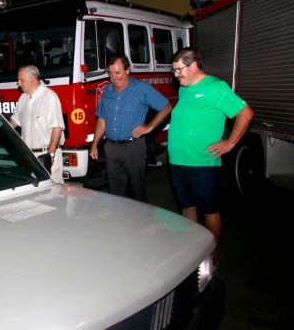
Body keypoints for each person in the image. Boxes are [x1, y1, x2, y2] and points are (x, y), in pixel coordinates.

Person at [169, 47, 253, 268]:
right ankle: (193, 248)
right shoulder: (184, 88)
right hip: (178, 162)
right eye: (174, 71)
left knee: (210, 210)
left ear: (194, 65)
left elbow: (246, 113)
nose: (176, 75)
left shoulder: (216, 88)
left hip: (203, 164)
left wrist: (230, 143)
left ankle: (212, 253)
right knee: (187, 207)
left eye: (179, 70)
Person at [89, 53, 172, 202]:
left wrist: (149, 127)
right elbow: (102, 118)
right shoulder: (108, 91)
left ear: (127, 70)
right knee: (114, 192)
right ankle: (120, 221)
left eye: (118, 72)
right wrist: (95, 145)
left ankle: (139, 222)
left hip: (133, 146)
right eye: (111, 73)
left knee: (136, 189)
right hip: (111, 148)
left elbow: (166, 106)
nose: (114, 77)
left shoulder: (141, 88)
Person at [9, 65, 65, 184]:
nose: (18, 83)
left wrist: (50, 154)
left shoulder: (49, 96)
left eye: (21, 80)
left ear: (32, 78)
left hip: (46, 154)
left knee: (53, 193)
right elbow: (15, 121)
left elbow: (57, 127)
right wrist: (0, 127)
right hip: (28, 155)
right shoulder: (23, 98)